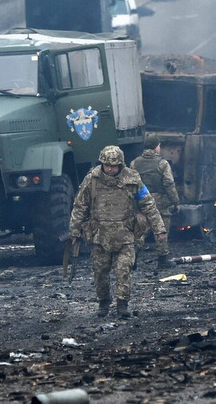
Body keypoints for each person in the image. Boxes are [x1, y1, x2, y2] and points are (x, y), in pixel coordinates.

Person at [69, 145, 167, 319]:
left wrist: (159, 229)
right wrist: (75, 231)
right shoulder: (92, 179)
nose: (109, 169)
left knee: (124, 270)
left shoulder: (132, 179)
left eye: (113, 166)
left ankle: (122, 304)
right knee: (100, 272)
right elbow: (80, 206)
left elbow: (148, 205)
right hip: (100, 235)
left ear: (120, 165)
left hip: (125, 234)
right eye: (106, 165)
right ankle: (103, 302)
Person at [129, 133, 180, 268]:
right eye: (158, 146)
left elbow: (130, 183)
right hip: (160, 201)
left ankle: (132, 258)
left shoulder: (134, 163)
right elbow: (169, 184)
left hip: (141, 200)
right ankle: (163, 260)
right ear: (156, 147)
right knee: (161, 229)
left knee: (141, 229)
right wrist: (176, 202)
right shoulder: (162, 164)